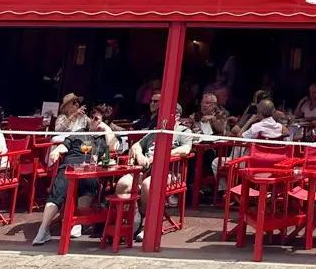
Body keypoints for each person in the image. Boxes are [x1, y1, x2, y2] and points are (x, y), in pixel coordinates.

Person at [32, 104, 119, 245]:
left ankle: (77, 222)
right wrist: (56, 151)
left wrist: (106, 129)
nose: (91, 120)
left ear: (105, 122)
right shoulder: (81, 132)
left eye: (96, 119)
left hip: (90, 169)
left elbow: (114, 147)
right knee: (58, 190)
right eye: (91, 117)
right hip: (70, 166)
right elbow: (65, 145)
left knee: (89, 182)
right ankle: (43, 229)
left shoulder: (105, 138)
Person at [114, 104, 194, 242]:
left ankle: (147, 223)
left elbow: (186, 150)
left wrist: (162, 155)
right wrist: (139, 155)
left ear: (176, 116)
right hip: (147, 169)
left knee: (148, 185)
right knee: (123, 183)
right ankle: (129, 219)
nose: (160, 117)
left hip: (170, 172)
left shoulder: (184, 131)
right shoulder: (156, 131)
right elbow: (136, 145)